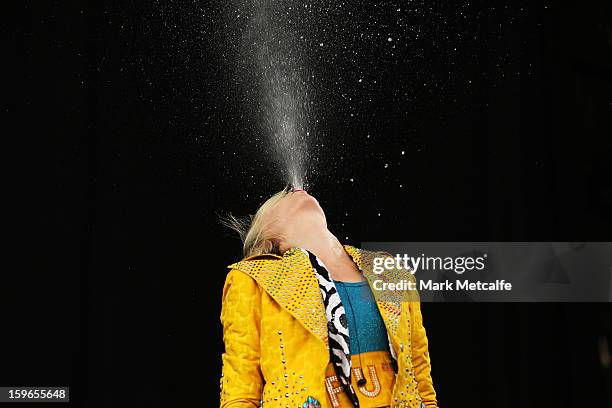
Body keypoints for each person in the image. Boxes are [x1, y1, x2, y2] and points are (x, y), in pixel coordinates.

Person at [220, 186, 437, 407]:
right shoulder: (253, 279)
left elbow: (420, 381)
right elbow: (240, 393)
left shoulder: (390, 271)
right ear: (268, 236)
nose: (297, 188)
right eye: (285, 194)